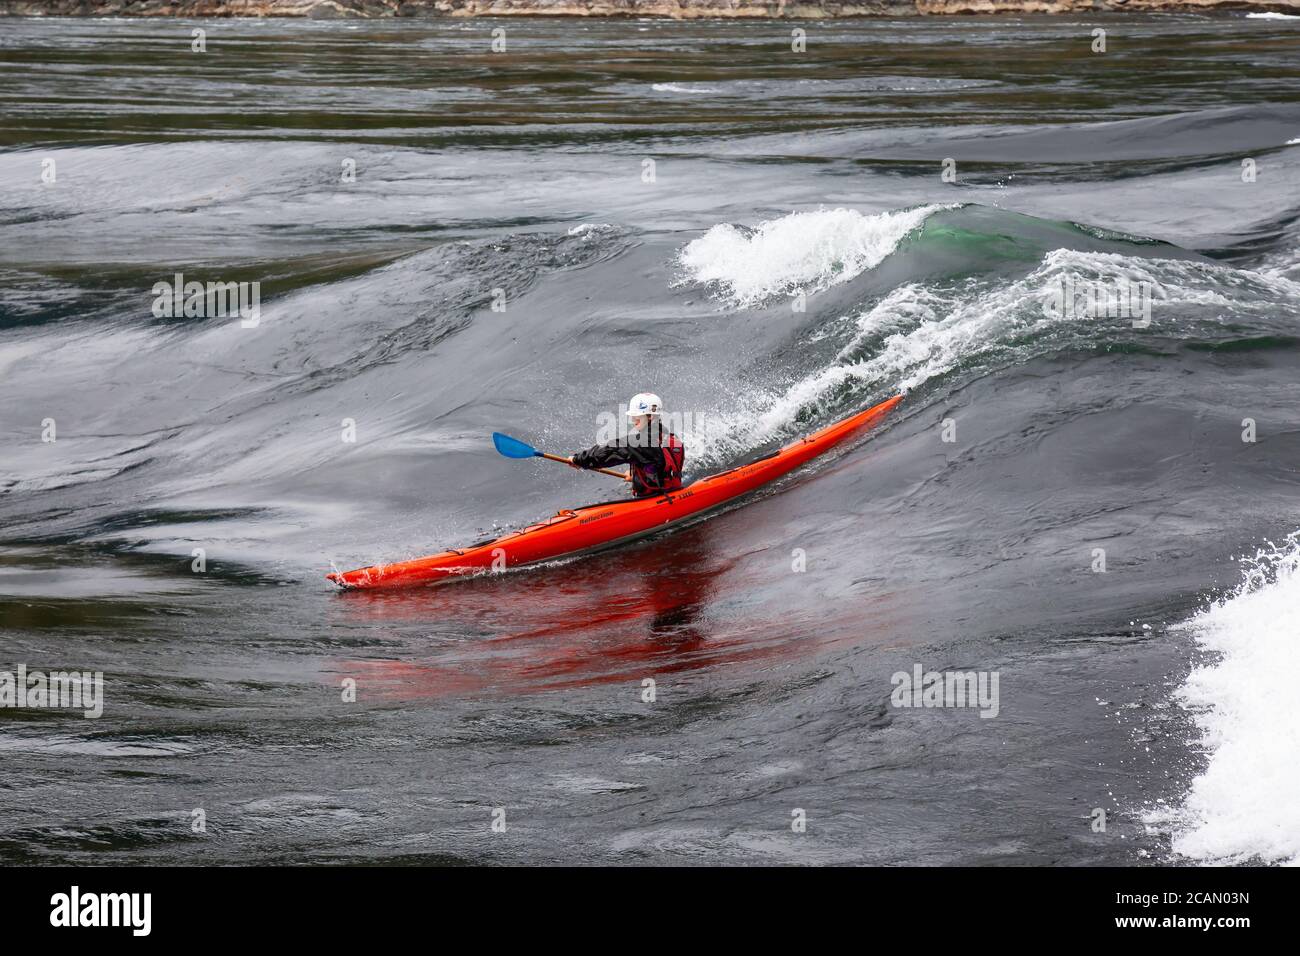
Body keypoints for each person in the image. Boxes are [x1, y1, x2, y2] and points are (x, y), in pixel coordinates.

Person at [569, 392, 685, 498]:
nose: (634, 420)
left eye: (637, 416)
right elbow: (658, 464)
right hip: (672, 490)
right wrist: (637, 476)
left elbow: (611, 451)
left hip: (657, 498)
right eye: (633, 416)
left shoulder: (641, 443)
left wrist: (578, 459)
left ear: (650, 417)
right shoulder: (669, 437)